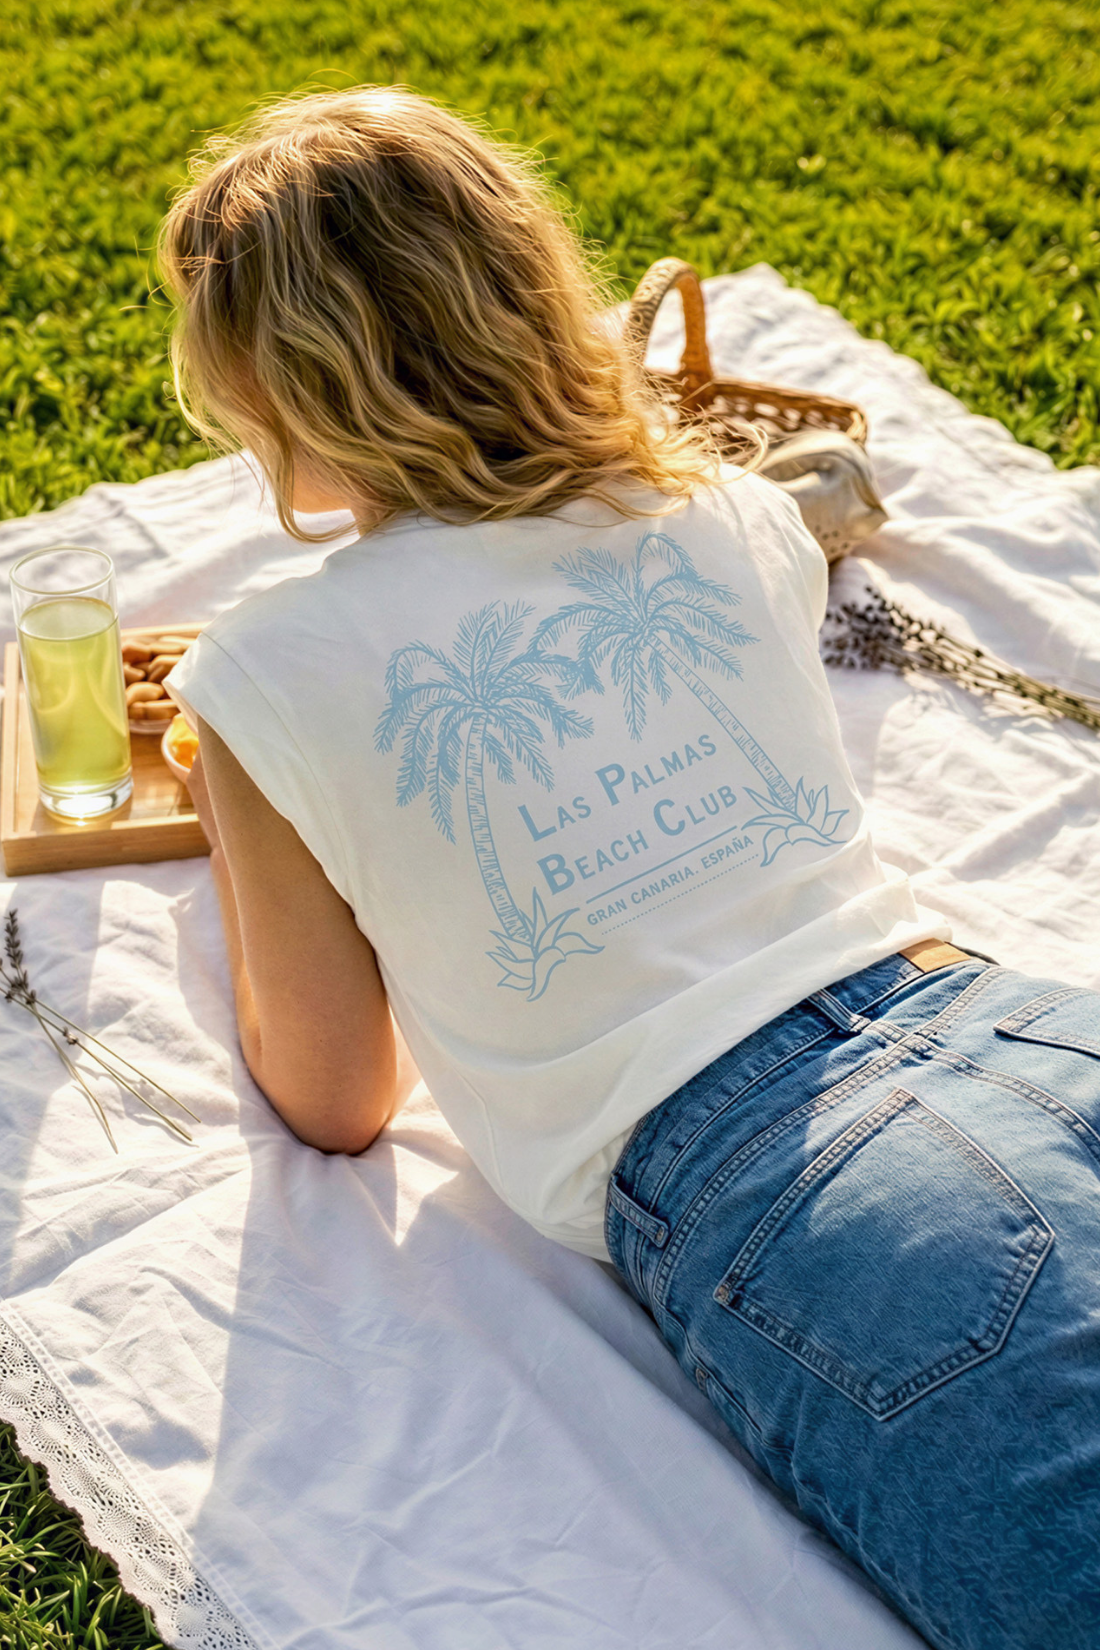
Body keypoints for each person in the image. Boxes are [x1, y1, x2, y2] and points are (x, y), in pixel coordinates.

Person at [156, 85, 1100, 1650]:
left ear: (277, 386)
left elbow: (332, 1097)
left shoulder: (262, 673)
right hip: (1020, 1031)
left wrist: (244, 823)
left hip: (795, 1192)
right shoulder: (732, 510)